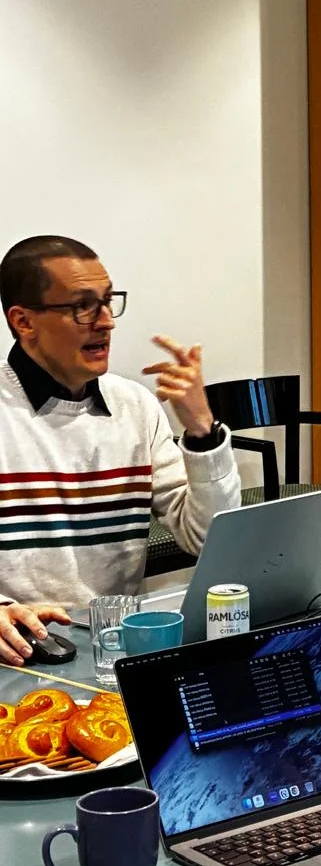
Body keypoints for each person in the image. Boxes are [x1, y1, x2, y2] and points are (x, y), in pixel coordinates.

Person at [0, 235, 240, 655]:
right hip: (18, 654)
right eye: (82, 306)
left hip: (116, 651)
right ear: (24, 322)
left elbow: (209, 539)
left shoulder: (135, 406)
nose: (106, 321)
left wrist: (203, 433)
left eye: (109, 301)